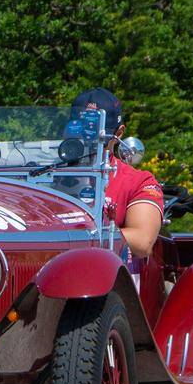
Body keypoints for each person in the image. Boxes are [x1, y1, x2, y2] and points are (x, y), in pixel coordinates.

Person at [68, 87, 163, 258]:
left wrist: (69, 238)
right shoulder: (43, 175)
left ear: (118, 133)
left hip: (108, 278)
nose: (87, 141)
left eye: (99, 137)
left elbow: (142, 241)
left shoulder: (139, 182)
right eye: (78, 130)